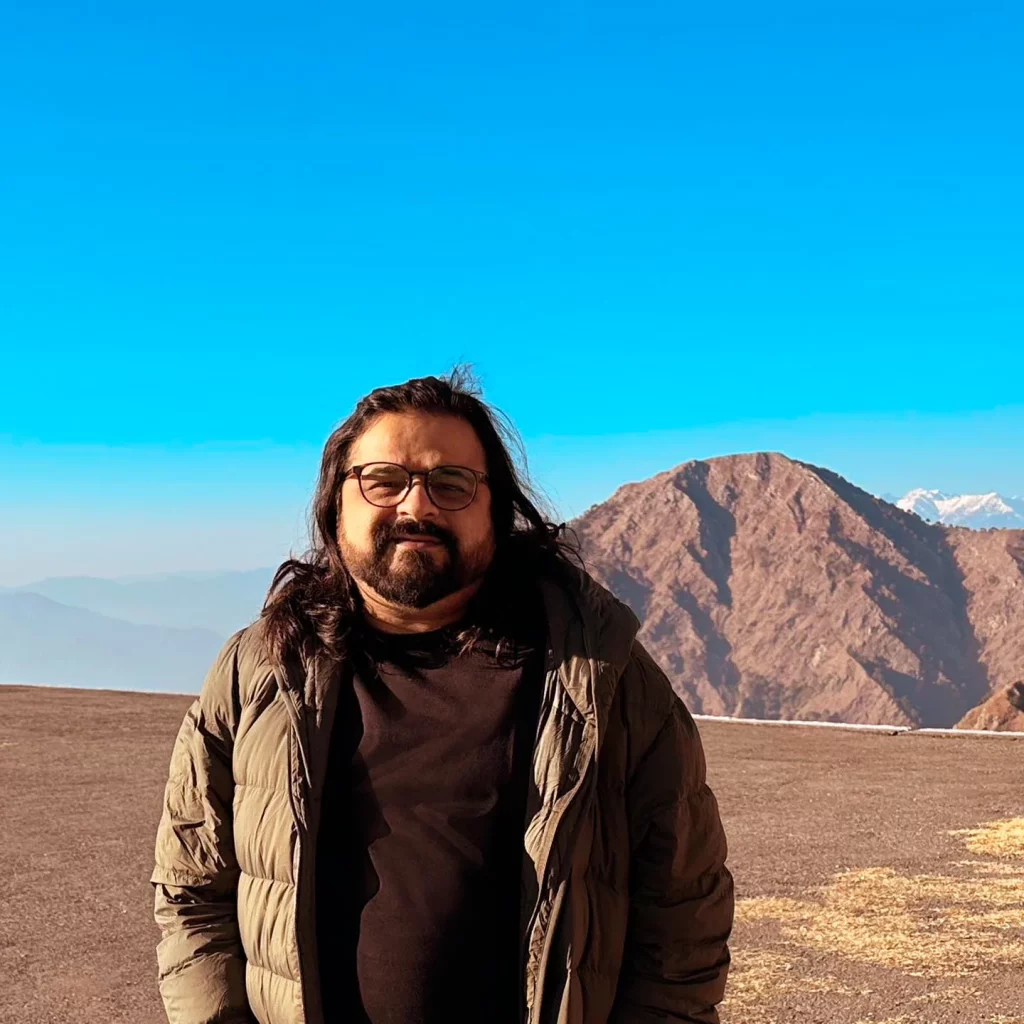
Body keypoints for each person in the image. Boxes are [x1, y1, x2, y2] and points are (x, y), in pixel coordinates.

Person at [150, 367, 734, 1024]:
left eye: (450, 484)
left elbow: (685, 921)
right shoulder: (260, 673)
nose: (416, 507)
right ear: (336, 504)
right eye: (384, 480)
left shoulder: (597, 679)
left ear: (498, 509)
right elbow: (192, 891)